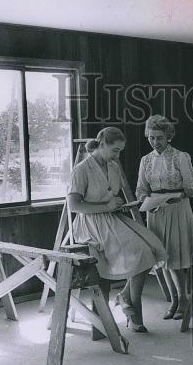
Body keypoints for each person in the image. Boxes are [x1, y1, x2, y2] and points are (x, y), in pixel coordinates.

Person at [68, 126, 167, 332]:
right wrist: (106, 206)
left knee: (153, 247)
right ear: (101, 144)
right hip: (90, 224)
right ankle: (133, 304)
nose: (118, 155)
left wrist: (116, 202)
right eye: (115, 150)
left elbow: (109, 193)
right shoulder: (82, 169)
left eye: (120, 150)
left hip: (112, 218)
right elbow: (74, 206)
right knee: (140, 251)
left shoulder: (112, 167)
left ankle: (125, 296)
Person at [136, 115, 193, 324]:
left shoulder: (181, 157)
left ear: (169, 136)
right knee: (162, 259)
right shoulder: (146, 160)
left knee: (176, 259)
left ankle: (182, 300)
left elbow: (192, 188)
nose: (155, 142)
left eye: (159, 138)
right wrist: (145, 200)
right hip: (155, 212)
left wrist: (180, 195)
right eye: (151, 138)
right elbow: (141, 189)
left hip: (177, 210)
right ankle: (173, 300)